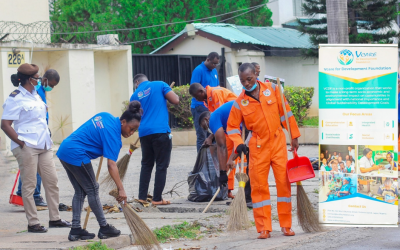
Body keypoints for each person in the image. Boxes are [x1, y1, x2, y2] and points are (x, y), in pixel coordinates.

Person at [227, 63, 300, 239]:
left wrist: (294, 135)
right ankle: (263, 228)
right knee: (259, 187)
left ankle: (286, 225)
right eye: (242, 80)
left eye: (249, 79)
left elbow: (286, 113)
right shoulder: (240, 102)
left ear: (255, 75)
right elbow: (232, 127)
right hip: (257, 146)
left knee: (284, 183)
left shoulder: (273, 89)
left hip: (277, 142)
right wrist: (238, 144)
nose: (246, 83)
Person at [57, 101, 143, 241]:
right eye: (131, 128)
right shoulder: (114, 137)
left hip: (65, 150)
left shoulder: (105, 116)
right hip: (77, 154)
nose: (131, 133)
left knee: (80, 191)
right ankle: (104, 228)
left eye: (135, 131)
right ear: (123, 122)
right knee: (92, 188)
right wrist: (121, 189)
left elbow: (94, 131)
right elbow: (111, 165)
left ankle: (76, 230)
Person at [1, 63, 70, 233]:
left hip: (43, 145)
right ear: (29, 80)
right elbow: (5, 124)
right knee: (30, 185)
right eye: (36, 77)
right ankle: (33, 222)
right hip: (27, 146)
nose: (39, 79)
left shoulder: (36, 95)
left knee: (51, 181)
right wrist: (21, 143)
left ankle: (55, 218)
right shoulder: (15, 97)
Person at [130, 74, 179, 206]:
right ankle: (157, 198)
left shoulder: (134, 96)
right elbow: (175, 100)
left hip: (144, 133)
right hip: (161, 131)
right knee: (161, 165)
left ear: (137, 83)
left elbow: (133, 116)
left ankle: (142, 197)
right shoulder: (160, 84)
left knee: (146, 165)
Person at [16, 69, 60, 207]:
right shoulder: (34, 90)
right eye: (51, 85)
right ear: (44, 79)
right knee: (35, 168)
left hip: (42, 133)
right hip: (33, 136)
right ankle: (34, 195)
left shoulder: (40, 90)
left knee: (35, 167)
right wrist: (20, 143)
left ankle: (23, 192)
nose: (51, 88)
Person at [198, 101, 251, 203]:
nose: (209, 130)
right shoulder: (225, 123)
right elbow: (237, 143)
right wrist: (229, 161)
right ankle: (248, 197)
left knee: (250, 163)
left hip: (251, 120)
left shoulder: (213, 119)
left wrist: (223, 172)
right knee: (249, 161)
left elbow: (222, 146)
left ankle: (249, 197)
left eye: (206, 127)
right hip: (248, 125)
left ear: (206, 120)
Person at [190, 52, 220, 151]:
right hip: (199, 106)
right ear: (207, 60)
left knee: (213, 134)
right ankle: (201, 162)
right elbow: (193, 89)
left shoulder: (214, 70)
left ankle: (212, 160)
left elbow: (217, 87)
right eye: (213, 63)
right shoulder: (199, 70)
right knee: (202, 135)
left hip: (211, 106)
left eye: (216, 64)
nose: (215, 66)